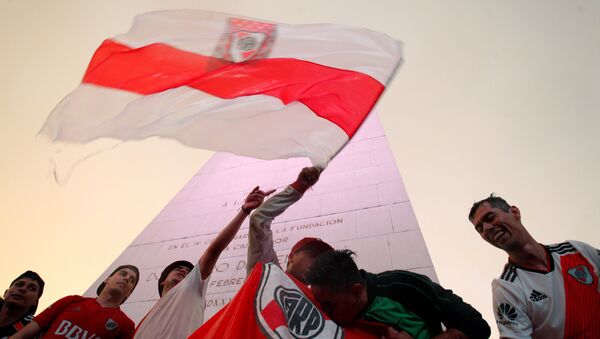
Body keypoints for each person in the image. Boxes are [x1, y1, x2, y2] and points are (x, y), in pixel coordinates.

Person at [134, 186, 273, 339]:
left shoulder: (192, 287)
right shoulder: (143, 321)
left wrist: (244, 211)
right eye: (179, 269)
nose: (184, 272)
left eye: (188, 273)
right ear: (162, 282)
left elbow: (214, 250)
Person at [469, 194, 600, 338]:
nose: (487, 228)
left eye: (490, 218)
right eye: (480, 228)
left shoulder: (576, 250)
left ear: (514, 212)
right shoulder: (507, 288)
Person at [307, 249, 491, 339]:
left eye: (329, 305)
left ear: (356, 291)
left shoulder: (404, 285)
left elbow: (477, 326)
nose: (324, 313)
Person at [247, 166, 334, 284]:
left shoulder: (314, 301)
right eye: (313, 256)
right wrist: (300, 186)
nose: (317, 265)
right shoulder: (268, 274)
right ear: (291, 257)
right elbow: (259, 219)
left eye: (322, 262)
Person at [12, 265, 139, 339]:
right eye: (123, 274)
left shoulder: (126, 326)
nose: (127, 278)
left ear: (129, 294)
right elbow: (23, 335)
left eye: (132, 280)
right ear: (107, 279)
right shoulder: (71, 301)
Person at [0, 271, 45, 339]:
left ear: (35, 301)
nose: (23, 289)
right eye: (19, 284)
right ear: (5, 293)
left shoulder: (35, 330)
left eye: (32, 289)